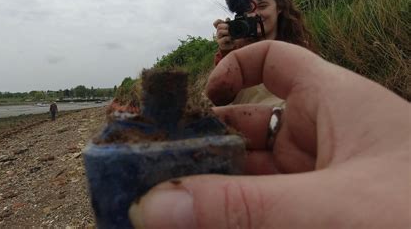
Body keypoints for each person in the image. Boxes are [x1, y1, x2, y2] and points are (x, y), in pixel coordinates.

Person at [127, 41, 410, 228]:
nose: (255, 17)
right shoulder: (239, 56)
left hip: (288, 131)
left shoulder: (297, 51)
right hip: (265, 139)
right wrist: (225, 48)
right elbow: (219, 92)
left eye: (262, 6)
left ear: (281, 9)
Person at [213, 0, 313, 107]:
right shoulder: (234, 50)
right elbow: (220, 98)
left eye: (262, 6)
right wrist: (227, 54)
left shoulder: (300, 47)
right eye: (249, 9)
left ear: (279, 8)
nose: (255, 14)